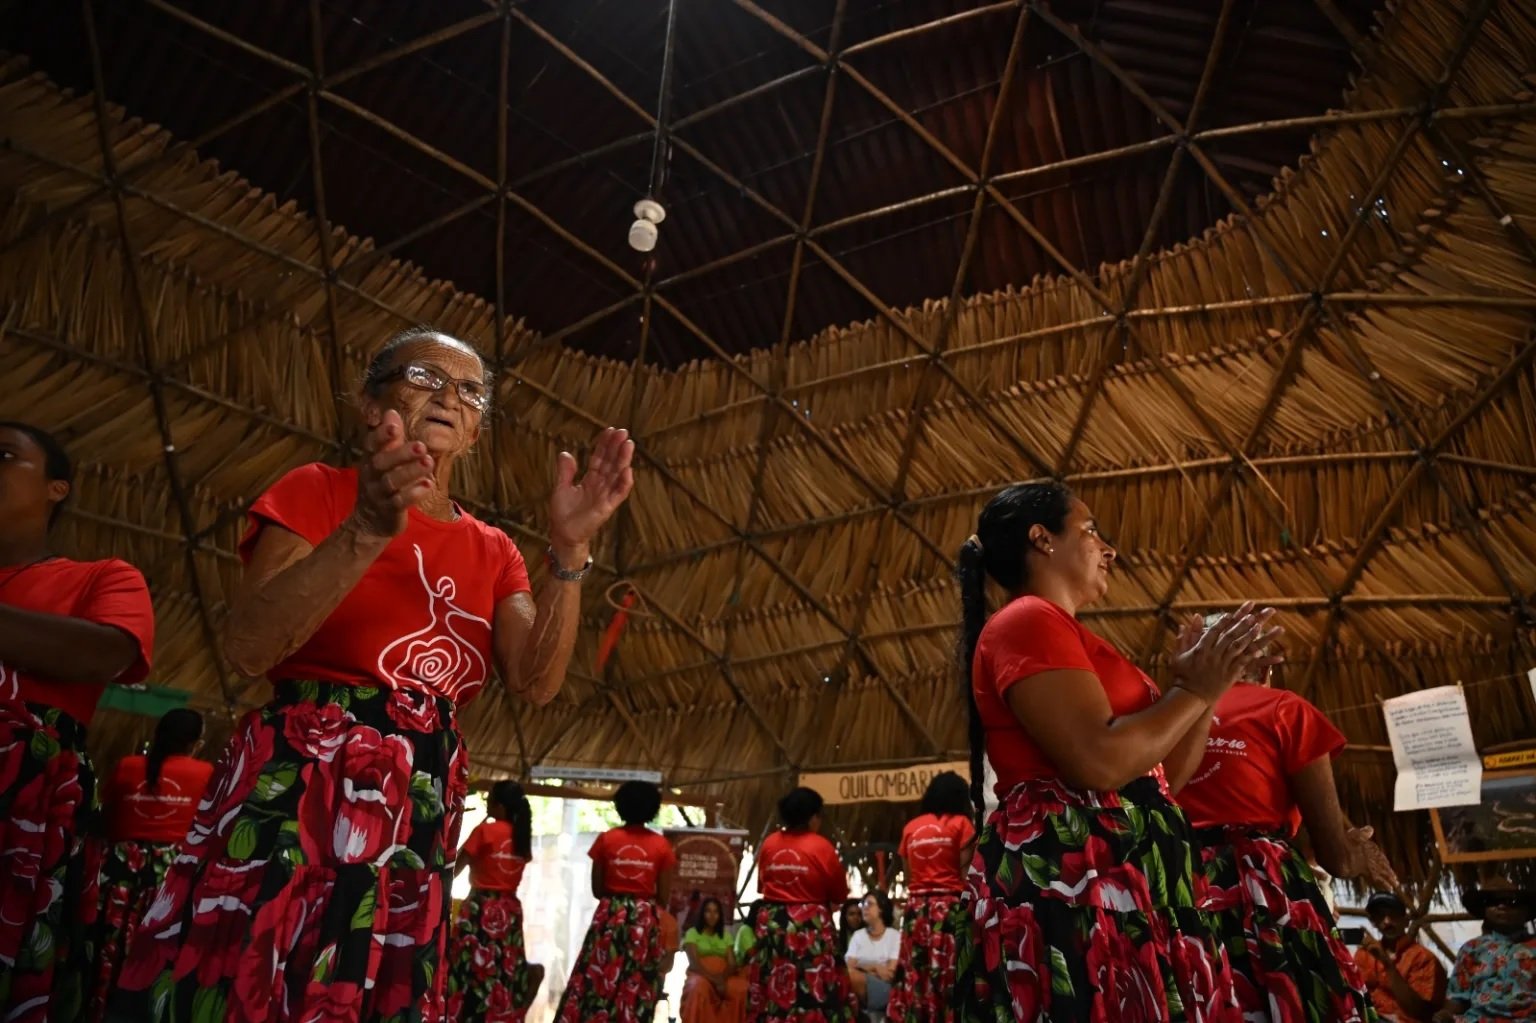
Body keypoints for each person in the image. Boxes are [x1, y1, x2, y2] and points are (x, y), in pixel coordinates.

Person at [114, 326, 633, 1021]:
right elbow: (247, 645)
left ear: (477, 432)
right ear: (368, 403)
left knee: (366, 987)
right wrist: (365, 529)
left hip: (416, 796)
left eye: (471, 390)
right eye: (425, 376)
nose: (450, 396)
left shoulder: (494, 550)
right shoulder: (319, 492)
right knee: (248, 969)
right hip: (300, 773)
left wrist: (570, 550)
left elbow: (535, 680)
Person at [953, 481, 1281, 1023]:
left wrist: (1208, 689)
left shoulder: (1080, 640)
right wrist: (1194, 689)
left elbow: (1161, 775)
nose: (1110, 549)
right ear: (1042, 539)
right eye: (1089, 531)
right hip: (1073, 880)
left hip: (1129, 881)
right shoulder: (1026, 620)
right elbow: (1099, 761)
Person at [0, 422, 155, 1023]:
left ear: (56, 488)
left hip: (24, 808)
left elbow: (104, 652)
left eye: (5, 456)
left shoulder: (102, 578)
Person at [1179, 615, 1397, 1022]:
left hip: (1179, 888)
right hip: (1263, 892)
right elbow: (1336, 856)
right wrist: (1358, 851)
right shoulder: (1285, 709)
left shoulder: (1165, 711)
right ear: (1266, 665)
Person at [90, 709, 212, 1021]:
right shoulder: (206, 775)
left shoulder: (127, 767)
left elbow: (106, 819)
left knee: (104, 953)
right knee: (157, 958)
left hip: (118, 874)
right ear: (196, 743)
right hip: (170, 880)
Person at [556, 780, 678, 1023]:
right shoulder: (661, 845)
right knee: (636, 980)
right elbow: (664, 897)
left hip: (609, 916)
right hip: (644, 921)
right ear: (653, 809)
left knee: (599, 977)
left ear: (620, 806)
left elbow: (597, 888)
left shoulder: (606, 839)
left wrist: (618, 902)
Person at [745, 786, 853, 1023]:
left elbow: (762, 887)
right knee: (812, 988)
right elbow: (839, 894)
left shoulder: (770, 843)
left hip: (773, 925)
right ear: (813, 817)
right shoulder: (821, 846)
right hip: (809, 928)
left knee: (774, 986)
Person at [447, 780, 544, 1023]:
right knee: (503, 971)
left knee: (467, 969)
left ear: (499, 805)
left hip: (480, 908)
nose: (486, 805)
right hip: (510, 912)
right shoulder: (522, 834)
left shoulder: (485, 831)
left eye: (488, 800)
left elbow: (452, 872)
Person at [886, 771, 974, 1023]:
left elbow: (909, 874)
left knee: (918, 972)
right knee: (950, 973)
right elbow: (968, 873)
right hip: (950, 911)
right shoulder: (962, 825)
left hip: (917, 912)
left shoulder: (911, 828)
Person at [1434, 880, 1535, 1023]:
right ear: (1485, 910)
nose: (1501, 906)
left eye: (1512, 901)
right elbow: (1457, 998)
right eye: (1493, 901)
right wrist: (1445, 1016)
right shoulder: (1471, 949)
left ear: (1527, 910)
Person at [1356, 891, 1448, 1023]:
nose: (1387, 922)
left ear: (1405, 920)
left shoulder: (1423, 958)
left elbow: (1420, 1012)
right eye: (1380, 916)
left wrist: (1387, 964)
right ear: (1373, 922)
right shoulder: (1364, 955)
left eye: (1393, 915)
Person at [681, 896, 747, 1023]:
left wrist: (722, 979)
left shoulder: (726, 936)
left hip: (723, 977)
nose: (712, 915)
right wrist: (714, 980)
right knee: (697, 988)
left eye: (716, 911)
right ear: (702, 913)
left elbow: (732, 963)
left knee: (740, 989)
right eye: (708, 911)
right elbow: (694, 964)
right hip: (701, 975)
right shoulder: (692, 933)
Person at [847, 890, 900, 1018]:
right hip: (862, 987)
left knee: (852, 976)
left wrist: (860, 968)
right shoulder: (858, 936)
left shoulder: (894, 936)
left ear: (881, 909)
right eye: (863, 904)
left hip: (886, 988)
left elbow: (890, 974)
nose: (864, 908)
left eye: (869, 904)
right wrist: (875, 967)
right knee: (847, 975)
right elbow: (848, 966)